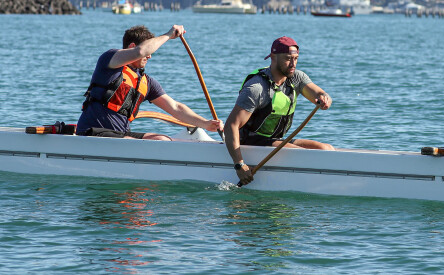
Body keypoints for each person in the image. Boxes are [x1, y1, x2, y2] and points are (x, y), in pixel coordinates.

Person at [76, 25, 223, 140]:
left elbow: (176, 108)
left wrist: (206, 124)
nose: (150, 56)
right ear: (131, 47)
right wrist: (168, 35)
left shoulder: (147, 83)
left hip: (121, 135)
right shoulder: (110, 60)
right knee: (134, 142)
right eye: (149, 52)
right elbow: (140, 52)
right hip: (92, 133)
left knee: (163, 140)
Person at [224, 36, 334, 185]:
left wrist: (325, 99)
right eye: (288, 59)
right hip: (251, 141)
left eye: (296, 58)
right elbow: (231, 125)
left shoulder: (296, 78)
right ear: (273, 57)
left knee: (326, 149)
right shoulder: (257, 88)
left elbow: (318, 93)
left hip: (275, 140)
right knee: (304, 155)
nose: (293, 64)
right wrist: (239, 164)